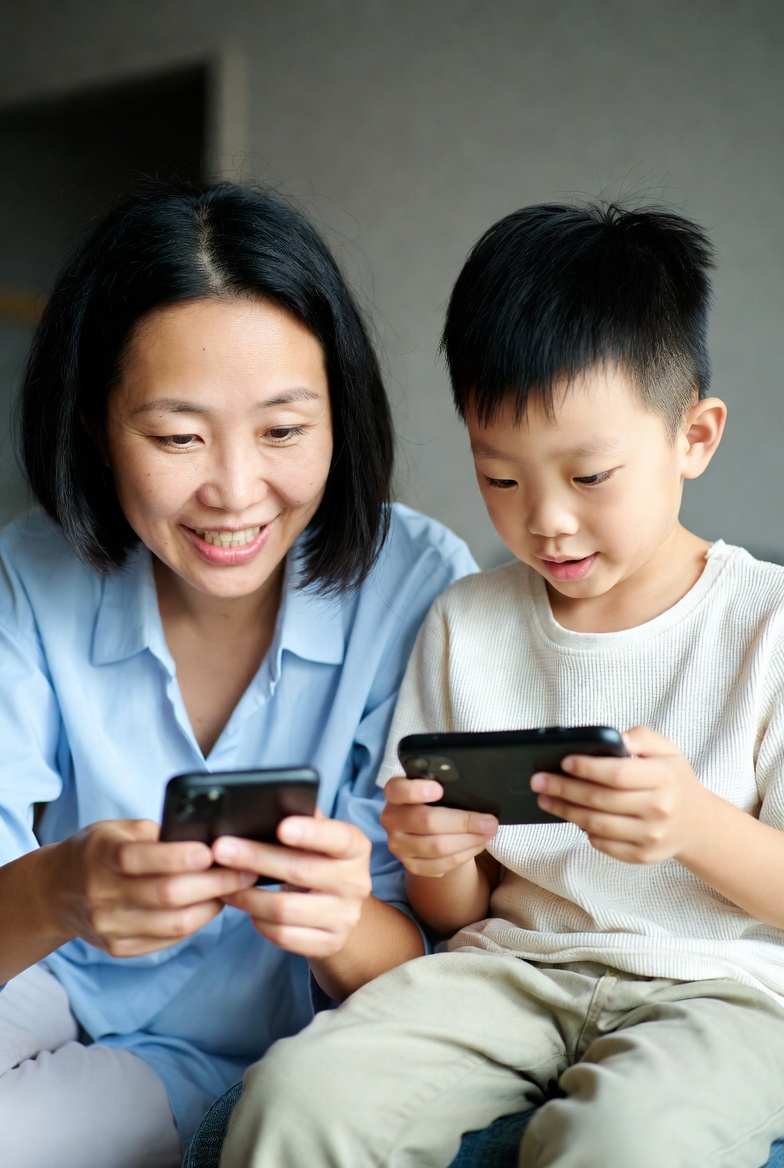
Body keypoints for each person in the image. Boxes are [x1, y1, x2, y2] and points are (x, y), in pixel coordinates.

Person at [221, 202, 784, 1168]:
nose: (548, 521)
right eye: (503, 479)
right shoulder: (465, 622)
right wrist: (433, 852)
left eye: (590, 476)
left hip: (727, 991)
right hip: (510, 974)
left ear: (694, 436)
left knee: (628, 1141)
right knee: (300, 1096)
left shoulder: (766, 624)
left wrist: (694, 824)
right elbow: (456, 913)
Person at [0, 181, 477, 1168]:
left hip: (284, 1046)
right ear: (93, 425)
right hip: (54, 980)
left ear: (340, 415)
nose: (234, 491)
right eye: (178, 437)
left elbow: (448, 968)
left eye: (284, 431)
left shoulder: (421, 587)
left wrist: (341, 922)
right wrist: (58, 891)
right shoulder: (27, 572)